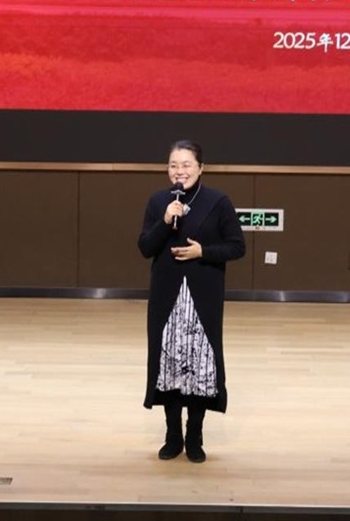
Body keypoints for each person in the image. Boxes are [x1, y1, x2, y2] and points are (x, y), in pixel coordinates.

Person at [137, 140, 246, 463]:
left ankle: (194, 435)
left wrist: (203, 251)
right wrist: (164, 221)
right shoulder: (159, 201)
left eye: (186, 164)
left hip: (202, 298)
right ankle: (173, 435)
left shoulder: (218, 201)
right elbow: (145, 247)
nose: (179, 171)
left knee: (199, 368)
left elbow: (237, 246)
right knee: (169, 366)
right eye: (174, 165)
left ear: (200, 168)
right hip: (167, 298)